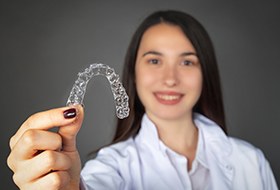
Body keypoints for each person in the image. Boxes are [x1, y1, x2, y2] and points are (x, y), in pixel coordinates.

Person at [7, 10, 278, 190]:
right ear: (133, 72)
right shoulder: (111, 166)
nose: (170, 78)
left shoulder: (251, 162)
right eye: (154, 60)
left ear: (204, 72)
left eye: (186, 61)